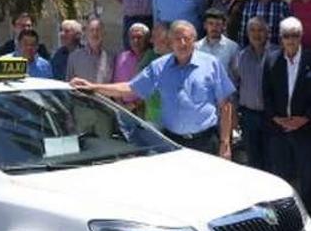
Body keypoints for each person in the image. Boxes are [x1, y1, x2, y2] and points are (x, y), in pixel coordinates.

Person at [71, 20, 235, 157]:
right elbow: (130, 87)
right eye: (177, 39)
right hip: (173, 142)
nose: (182, 43)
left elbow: (225, 105)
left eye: (187, 38)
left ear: (195, 40)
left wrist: (225, 142)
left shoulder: (211, 64)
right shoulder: (160, 66)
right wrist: (93, 87)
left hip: (206, 141)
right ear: (170, 42)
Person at [262, 17, 311, 209]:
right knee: (281, 175)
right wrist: (276, 117)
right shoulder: (272, 60)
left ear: (301, 37)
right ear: (281, 38)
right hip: (278, 128)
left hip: (306, 128)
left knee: (307, 174)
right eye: (286, 36)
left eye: (295, 35)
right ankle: (284, 214)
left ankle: (307, 213)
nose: (291, 40)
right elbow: (266, 93)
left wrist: (305, 118)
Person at [231, 16, 277, 171]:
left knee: (273, 160)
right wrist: (235, 113)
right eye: (252, 30)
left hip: (272, 117)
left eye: (260, 30)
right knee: (253, 162)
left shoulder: (278, 54)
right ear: (247, 33)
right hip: (249, 117)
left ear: (268, 32)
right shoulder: (241, 56)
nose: (256, 34)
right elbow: (235, 87)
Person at [137, 22, 172, 127]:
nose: (151, 41)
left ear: (167, 39)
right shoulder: (150, 56)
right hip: (153, 119)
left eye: (154, 37)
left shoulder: (182, 59)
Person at [113, 23, 151, 111]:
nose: (135, 41)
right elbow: (115, 82)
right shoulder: (121, 57)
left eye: (139, 37)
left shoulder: (151, 58)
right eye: (132, 37)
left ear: (147, 39)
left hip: (145, 109)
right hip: (122, 109)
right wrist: (120, 105)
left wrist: (134, 104)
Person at [66, 17, 114, 83]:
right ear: (86, 33)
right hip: (81, 93)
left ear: (103, 33)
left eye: (98, 30)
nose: (95, 33)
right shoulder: (74, 57)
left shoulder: (111, 57)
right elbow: (69, 84)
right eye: (91, 30)